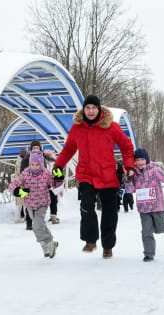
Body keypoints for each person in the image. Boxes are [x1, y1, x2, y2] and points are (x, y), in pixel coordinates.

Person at [53, 95, 135, 259]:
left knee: (110, 212)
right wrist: (58, 166)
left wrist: (129, 167)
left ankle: (108, 245)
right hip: (86, 174)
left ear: (99, 109)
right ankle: (90, 240)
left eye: (94, 108)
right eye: (88, 108)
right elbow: (68, 150)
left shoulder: (112, 127)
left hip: (108, 175)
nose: (91, 111)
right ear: (84, 109)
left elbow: (127, 147)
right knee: (86, 206)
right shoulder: (77, 129)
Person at [9, 151, 64, 258]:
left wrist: (58, 178)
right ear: (29, 164)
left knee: (36, 224)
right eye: (32, 164)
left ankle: (50, 244)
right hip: (29, 204)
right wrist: (17, 191)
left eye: (37, 164)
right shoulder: (25, 173)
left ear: (41, 164)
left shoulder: (46, 173)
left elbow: (55, 186)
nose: (34, 167)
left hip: (43, 203)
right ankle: (47, 244)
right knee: (39, 226)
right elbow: (13, 183)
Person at [22, 140, 60, 224]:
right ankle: (29, 220)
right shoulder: (27, 158)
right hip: (30, 184)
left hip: (43, 184)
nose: (36, 149)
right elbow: (23, 171)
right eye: (34, 148)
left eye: (37, 147)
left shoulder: (44, 157)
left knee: (49, 199)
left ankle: (51, 216)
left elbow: (46, 169)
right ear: (31, 148)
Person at [14, 148, 28, 224]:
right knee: (19, 202)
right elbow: (16, 172)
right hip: (19, 183)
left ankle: (26, 217)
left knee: (25, 202)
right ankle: (17, 218)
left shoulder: (26, 159)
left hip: (25, 183)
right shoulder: (18, 160)